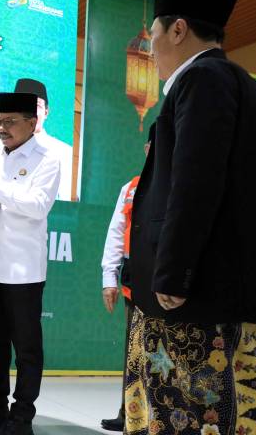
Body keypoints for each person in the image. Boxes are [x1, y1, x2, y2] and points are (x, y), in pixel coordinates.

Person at [125, 0, 256, 434]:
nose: (150, 48)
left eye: (152, 35)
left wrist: (174, 272)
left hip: (196, 300)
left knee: (184, 411)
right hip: (236, 290)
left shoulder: (202, 79)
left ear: (178, 30)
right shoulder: (249, 87)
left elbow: (195, 181)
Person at [0, 90, 61, 435]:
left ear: (32, 123)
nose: (2, 128)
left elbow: (37, 206)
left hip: (23, 271)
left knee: (26, 350)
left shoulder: (48, 158)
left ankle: (22, 417)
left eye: (11, 122)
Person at [98, 125, 154, 432]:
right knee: (133, 347)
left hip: (167, 279)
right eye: (153, 146)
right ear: (146, 149)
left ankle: (158, 416)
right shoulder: (131, 187)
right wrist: (109, 277)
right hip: (135, 279)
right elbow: (116, 232)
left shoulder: (182, 183)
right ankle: (128, 413)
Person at [0, 79, 72, 201]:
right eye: (22, 105)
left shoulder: (63, 151)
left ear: (46, 112)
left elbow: (62, 198)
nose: (30, 111)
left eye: (36, 106)